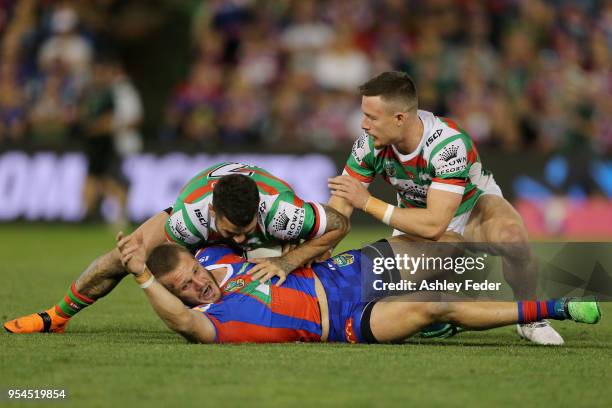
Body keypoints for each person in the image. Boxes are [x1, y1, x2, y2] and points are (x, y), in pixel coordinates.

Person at [327, 71, 562, 345]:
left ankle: (530, 317)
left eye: (371, 118)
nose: (363, 125)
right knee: (393, 308)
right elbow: (339, 208)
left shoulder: (447, 145)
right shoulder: (367, 145)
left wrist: (367, 202)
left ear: (400, 118)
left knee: (512, 238)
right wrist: (319, 253)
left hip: (471, 208)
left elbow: (436, 224)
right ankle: (441, 316)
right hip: (416, 218)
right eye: (363, 115)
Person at [4, 162, 348, 334]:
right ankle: (56, 316)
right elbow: (168, 266)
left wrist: (291, 259)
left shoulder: (280, 213)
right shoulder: (189, 220)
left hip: (273, 234)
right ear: (214, 215)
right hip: (196, 209)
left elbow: (340, 224)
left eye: (246, 232)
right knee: (127, 254)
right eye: (232, 233)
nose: (239, 241)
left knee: (311, 253)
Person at [110, 231, 600, 344]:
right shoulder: (204, 321)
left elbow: (268, 224)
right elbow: (180, 320)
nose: (198, 289)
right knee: (437, 305)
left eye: (193, 276)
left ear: (197, 260)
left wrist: (295, 252)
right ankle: (554, 307)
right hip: (344, 323)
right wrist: (143, 277)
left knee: (444, 243)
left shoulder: (218, 255)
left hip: (342, 274)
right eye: (185, 290)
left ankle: (560, 262)